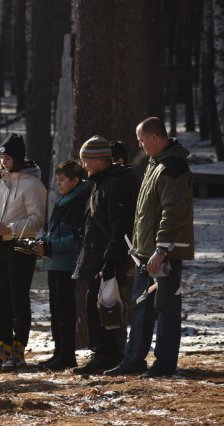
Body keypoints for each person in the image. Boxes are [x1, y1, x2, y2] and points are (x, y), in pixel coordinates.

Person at [105, 117, 194, 378]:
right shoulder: (156, 165)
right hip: (146, 253)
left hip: (165, 254)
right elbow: (146, 214)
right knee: (141, 307)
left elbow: (173, 211)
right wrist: (140, 248)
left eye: (142, 140)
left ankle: (165, 364)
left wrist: (162, 248)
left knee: (166, 309)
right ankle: (133, 360)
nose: (140, 145)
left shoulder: (173, 167)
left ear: (155, 137)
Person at [71, 135, 139, 375]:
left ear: (100, 160)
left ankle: (109, 354)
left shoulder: (115, 184)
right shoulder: (100, 182)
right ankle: (103, 352)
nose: (83, 166)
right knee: (95, 305)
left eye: (86, 160)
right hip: (99, 255)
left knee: (106, 307)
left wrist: (111, 260)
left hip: (108, 257)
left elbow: (119, 226)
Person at [0, 134, 47, 372]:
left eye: (8, 157)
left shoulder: (33, 185)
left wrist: (9, 228)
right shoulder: (0, 184)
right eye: (1, 157)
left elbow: (37, 220)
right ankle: (3, 349)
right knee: (2, 300)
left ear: (18, 158)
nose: (4, 162)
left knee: (19, 299)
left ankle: (18, 351)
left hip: (20, 246)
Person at [35, 160, 91, 371]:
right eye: (57, 179)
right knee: (56, 310)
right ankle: (59, 351)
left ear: (75, 180)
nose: (58, 183)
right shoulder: (63, 200)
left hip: (65, 264)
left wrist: (49, 246)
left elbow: (75, 239)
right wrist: (43, 243)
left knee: (65, 311)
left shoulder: (78, 203)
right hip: (54, 262)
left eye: (62, 180)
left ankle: (67, 354)